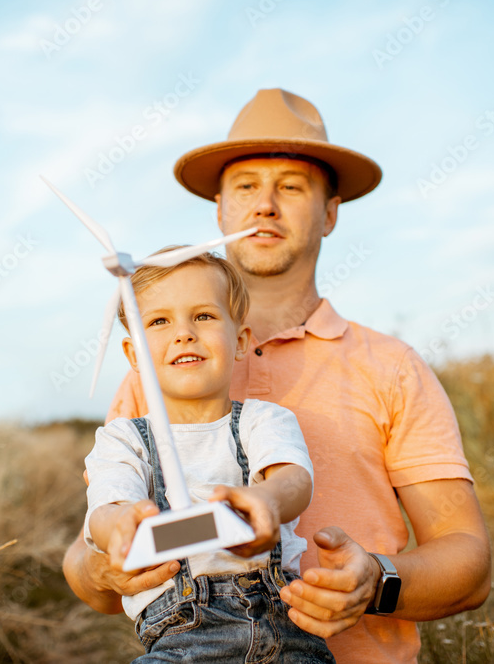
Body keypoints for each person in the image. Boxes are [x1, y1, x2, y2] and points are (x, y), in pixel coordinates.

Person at [64, 88, 492, 663]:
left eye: (291, 187)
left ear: (330, 212)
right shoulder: (156, 375)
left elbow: (469, 563)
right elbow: (88, 567)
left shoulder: (392, 367)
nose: (265, 205)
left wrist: (375, 581)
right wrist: (106, 565)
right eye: (246, 186)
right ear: (220, 209)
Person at [84, 249, 335, 662]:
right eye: (160, 321)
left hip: (285, 628)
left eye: (203, 316)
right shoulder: (122, 439)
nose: (184, 333)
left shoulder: (263, 420)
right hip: (181, 638)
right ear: (133, 355)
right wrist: (120, 523)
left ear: (239, 341)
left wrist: (269, 500)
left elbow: (293, 478)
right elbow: (107, 508)